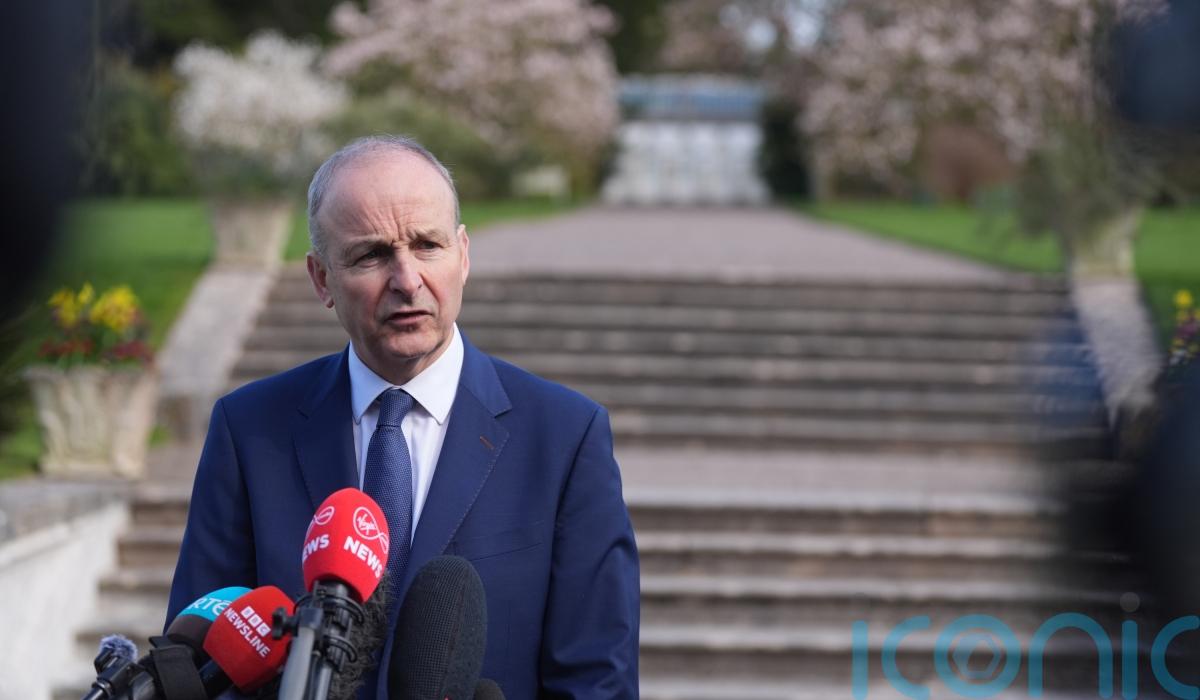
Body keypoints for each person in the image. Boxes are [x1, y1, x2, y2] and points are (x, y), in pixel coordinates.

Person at [166, 136, 641, 699]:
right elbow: (195, 667)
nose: (407, 279)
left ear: (463, 255)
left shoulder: (564, 437)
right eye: (371, 255)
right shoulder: (249, 431)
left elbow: (596, 682)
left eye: (427, 245)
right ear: (321, 279)